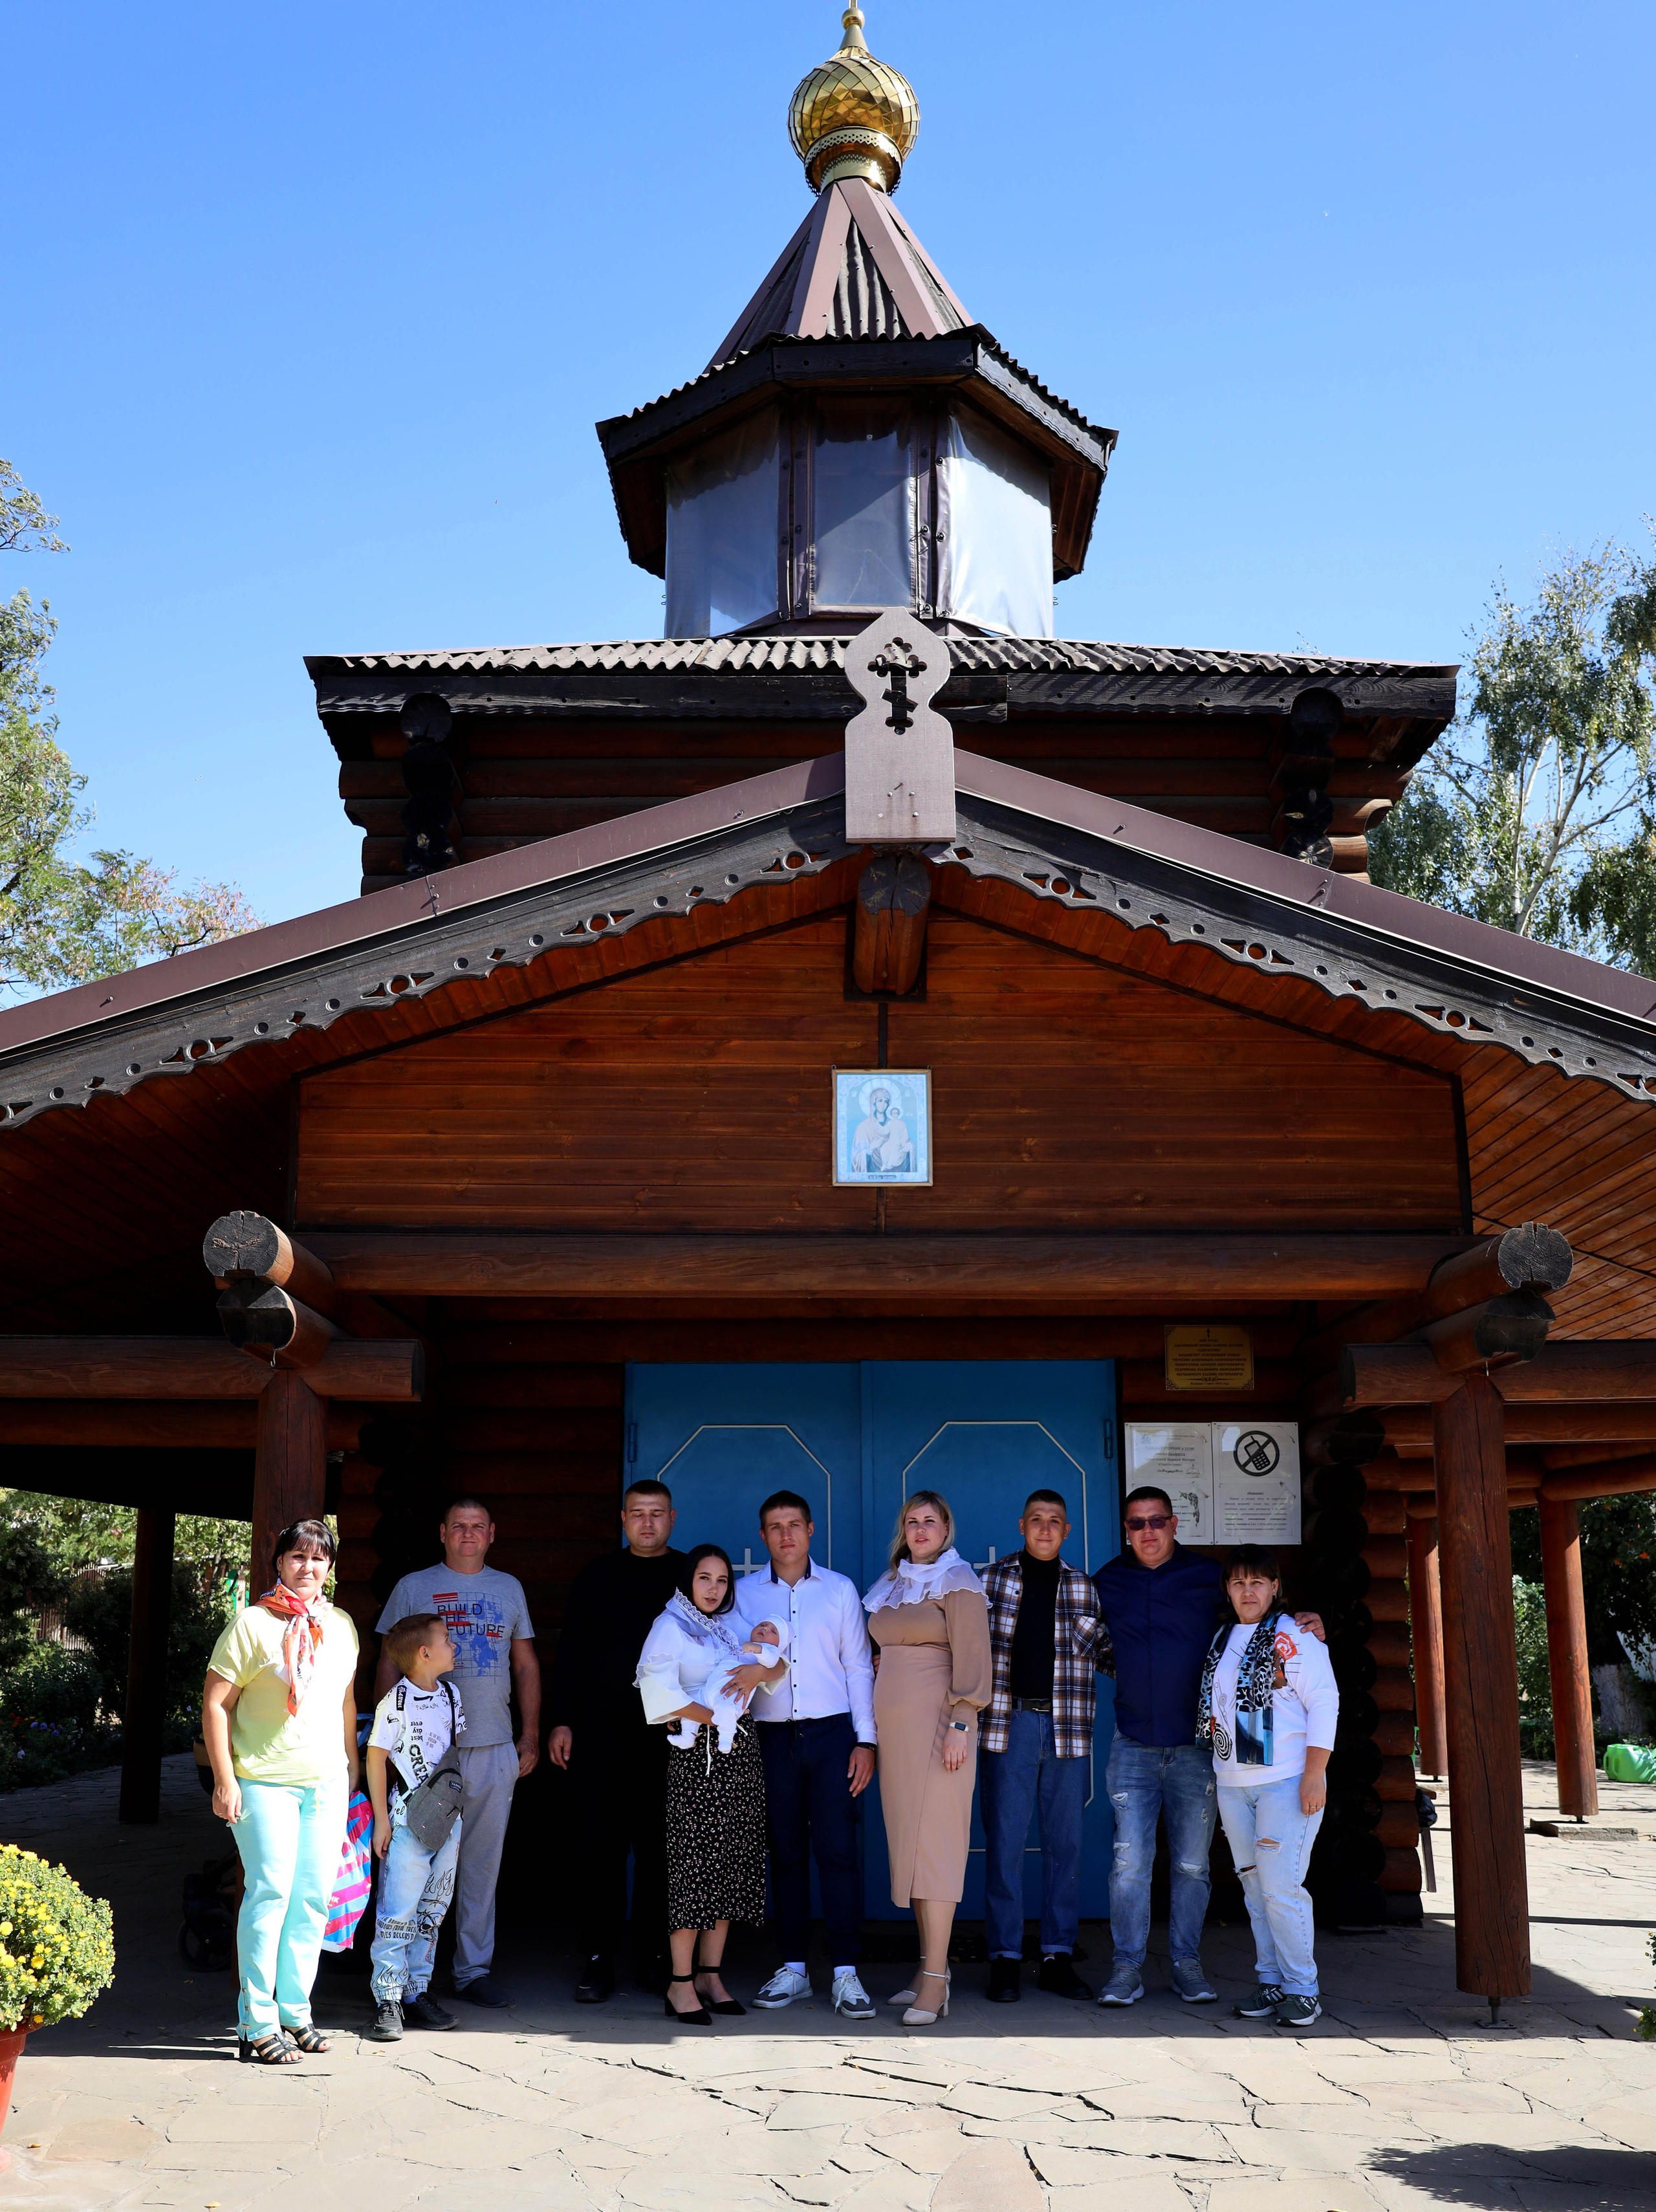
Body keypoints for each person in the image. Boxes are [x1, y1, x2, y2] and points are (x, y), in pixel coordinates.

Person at [1090, 1485, 1324, 2008]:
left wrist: (1304, 1624)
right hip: (1133, 1743)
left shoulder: (1206, 1579)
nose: (1147, 1531)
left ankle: (1185, 1964)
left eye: (1156, 1521)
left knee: (1194, 1864)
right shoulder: (1108, 1581)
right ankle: (1126, 1968)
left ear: (1175, 1523)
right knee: (1129, 1863)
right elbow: (1092, 1644)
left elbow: (1257, 1617)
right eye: (1136, 1523)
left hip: (1199, 1750)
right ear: (1125, 1530)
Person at [202, 1518, 360, 2066]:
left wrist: (352, 1762)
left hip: (326, 1782)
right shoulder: (252, 1623)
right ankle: (256, 2022)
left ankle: (295, 2011)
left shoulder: (341, 1625)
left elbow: (344, 1700)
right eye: (297, 1557)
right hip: (264, 1780)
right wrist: (225, 1778)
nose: (307, 1568)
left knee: (312, 1898)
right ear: (279, 1562)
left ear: (330, 1567)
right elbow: (216, 1704)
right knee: (269, 1894)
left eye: (318, 1559)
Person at [374, 1496, 539, 2009]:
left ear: (492, 1533)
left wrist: (529, 1734)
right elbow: (386, 1662)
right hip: (425, 1757)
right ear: (442, 1532)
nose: (468, 1534)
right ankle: (405, 1979)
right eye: (459, 1526)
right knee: (414, 1862)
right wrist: (379, 1731)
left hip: (491, 1745)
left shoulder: (509, 1587)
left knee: (480, 1864)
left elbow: (526, 1664)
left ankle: (471, 1970)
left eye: (478, 1527)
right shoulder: (413, 1586)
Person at [732, 1489, 879, 2021]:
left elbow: (859, 1667)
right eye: (775, 1526)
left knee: (838, 1851)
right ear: (764, 1535)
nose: (785, 1535)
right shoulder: (744, 1594)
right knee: (786, 1852)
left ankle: (846, 1972)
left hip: (832, 1735)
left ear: (811, 1529)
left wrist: (866, 1740)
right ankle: (793, 1967)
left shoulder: (838, 1590)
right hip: (769, 1738)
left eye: (794, 1524)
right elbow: (731, 1662)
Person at [547, 1478, 684, 2002]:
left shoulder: (688, 1573)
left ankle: (656, 1958)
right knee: (600, 1849)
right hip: (601, 1732)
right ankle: (598, 1959)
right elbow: (573, 1653)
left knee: (659, 1849)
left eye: (657, 1513)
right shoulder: (597, 1575)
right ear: (622, 1518)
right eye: (637, 1513)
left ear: (673, 1517)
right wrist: (561, 1720)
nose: (647, 1522)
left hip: (669, 1736)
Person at [636, 1544, 785, 2021]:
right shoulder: (670, 1625)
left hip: (737, 1756)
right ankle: (680, 1984)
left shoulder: (725, 1628)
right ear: (688, 1580)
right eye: (705, 1578)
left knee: (730, 1866)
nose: (714, 1588)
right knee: (694, 1868)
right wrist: (714, 1718)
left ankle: (710, 1974)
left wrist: (762, 1669)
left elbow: (779, 1666)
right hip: (697, 1759)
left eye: (722, 1580)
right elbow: (659, 1693)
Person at [863, 1490, 992, 2027]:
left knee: (935, 1846)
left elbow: (975, 1657)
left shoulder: (959, 1581)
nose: (920, 1530)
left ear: (946, 1529)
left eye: (930, 1522)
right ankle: (926, 1968)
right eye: (912, 1521)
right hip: (897, 1735)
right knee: (912, 1848)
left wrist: (961, 1723)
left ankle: (937, 1981)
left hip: (943, 1728)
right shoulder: (890, 1584)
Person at [979, 1489, 1111, 2004]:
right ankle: (1005, 1958)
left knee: (1065, 1847)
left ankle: (1057, 1954)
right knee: (1006, 1845)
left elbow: (1113, 1653)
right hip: (1006, 1726)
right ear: (1021, 1525)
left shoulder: (1084, 1587)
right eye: (1036, 1519)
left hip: (1067, 1728)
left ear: (1067, 1530)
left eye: (1055, 1521)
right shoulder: (989, 1581)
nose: (1045, 1528)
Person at [1200, 1545, 1338, 2030]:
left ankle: (1303, 1988)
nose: (1248, 1591)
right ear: (1228, 1589)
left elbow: (1324, 1702)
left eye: (1258, 1581)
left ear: (1276, 1586)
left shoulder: (1294, 1635)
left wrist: (1314, 1773)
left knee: (1281, 1888)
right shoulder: (1223, 1637)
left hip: (1283, 1780)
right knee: (1256, 1890)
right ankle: (1272, 1979)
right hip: (1235, 1781)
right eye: (1238, 1582)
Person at [364, 1611, 467, 2041]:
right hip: (407, 1822)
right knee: (398, 1909)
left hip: (447, 1822)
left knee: (433, 1908)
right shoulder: (395, 1702)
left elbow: (452, 1752)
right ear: (425, 1653)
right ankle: (387, 1995)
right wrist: (382, 1821)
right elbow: (375, 1757)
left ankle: (416, 1990)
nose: (453, 1644)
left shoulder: (451, 1695)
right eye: (447, 1638)